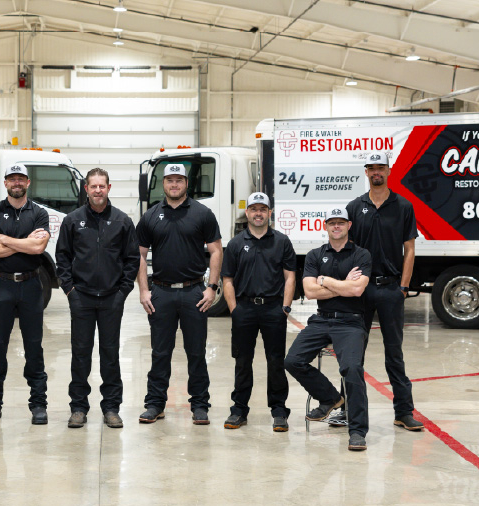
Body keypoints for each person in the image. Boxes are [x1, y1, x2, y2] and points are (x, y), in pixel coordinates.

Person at [136, 163, 223, 425]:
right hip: (160, 292)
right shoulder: (151, 216)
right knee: (160, 353)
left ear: (187, 183)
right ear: (164, 184)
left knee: (196, 352)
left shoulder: (202, 213)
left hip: (194, 292)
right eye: (170, 180)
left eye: (179, 180)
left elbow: (216, 250)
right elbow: (139, 255)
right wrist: (143, 290)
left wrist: (212, 288)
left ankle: (199, 405)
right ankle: (155, 404)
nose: (174, 185)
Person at [344, 152, 423, 432]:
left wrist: (403, 286)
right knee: (352, 355)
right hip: (360, 291)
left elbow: (410, 248)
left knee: (394, 354)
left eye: (381, 168)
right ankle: (348, 410)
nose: (376, 172)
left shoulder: (403, 206)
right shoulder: (354, 207)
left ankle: (403, 411)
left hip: (391, 289)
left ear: (389, 171)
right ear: (365, 172)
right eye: (371, 168)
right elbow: (347, 251)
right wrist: (349, 286)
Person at [55, 168, 139, 429]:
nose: (98, 190)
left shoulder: (122, 221)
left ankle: (111, 407)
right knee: (80, 354)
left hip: (112, 299)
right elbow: (62, 258)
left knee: (110, 354)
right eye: (94, 186)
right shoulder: (73, 220)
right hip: (82, 298)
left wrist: (123, 291)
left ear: (109, 188)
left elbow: (132, 260)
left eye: (102, 186)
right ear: (86, 189)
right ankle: (78, 407)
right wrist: (70, 291)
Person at [283, 208, 372, 451]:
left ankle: (357, 431)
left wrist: (324, 280)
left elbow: (357, 291)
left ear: (348, 225)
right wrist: (344, 284)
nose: (336, 226)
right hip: (321, 319)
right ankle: (331, 398)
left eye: (340, 223)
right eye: (332, 223)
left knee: (352, 369)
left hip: (351, 321)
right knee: (292, 361)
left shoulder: (361, 255)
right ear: (326, 226)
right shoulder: (315, 255)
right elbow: (310, 292)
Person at [0, 164, 51, 425]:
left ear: (28, 183)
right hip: (2, 286)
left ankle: (38, 405)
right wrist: (23, 244)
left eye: (21, 179)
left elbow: (38, 247)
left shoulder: (39, 213)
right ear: (6, 183)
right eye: (12, 179)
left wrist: (4, 239)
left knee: (34, 347)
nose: (16, 183)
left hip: (31, 287)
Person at [221, 192, 297, 432]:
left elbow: (290, 276)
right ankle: (239, 409)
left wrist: (285, 308)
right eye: (254, 209)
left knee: (275, 361)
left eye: (262, 209)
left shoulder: (282, 241)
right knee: (242, 361)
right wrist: (235, 310)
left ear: (269, 213)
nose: (258, 213)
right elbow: (227, 279)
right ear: (247, 213)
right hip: (244, 309)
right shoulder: (235, 243)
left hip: (274, 309)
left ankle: (278, 410)